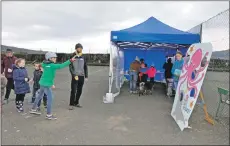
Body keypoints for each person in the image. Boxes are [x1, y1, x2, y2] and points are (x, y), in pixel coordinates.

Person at [30, 52, 76, 120]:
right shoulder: (52, 65)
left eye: (55, 57)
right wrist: (70, 60)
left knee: (39, 96)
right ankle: (49, 115)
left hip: (42, 83)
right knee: (50, 99)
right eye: (54, 58)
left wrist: (38, 65)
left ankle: (33, 109)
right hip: (46, 85)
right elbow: (61, 66)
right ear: (49, 58)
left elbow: (40, 65)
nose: (55, 59)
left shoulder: (44, 64)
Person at [69, 43, 88, 110]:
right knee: (73, 90)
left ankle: (76, 102)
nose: (79, 49)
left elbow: (85, 66)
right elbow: (70, 66)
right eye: (78, 48)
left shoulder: (83, 56)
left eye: (81, 48)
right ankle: (71, 104)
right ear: (76, 48)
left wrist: (86, 76)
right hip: (75, 76)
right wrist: (73, 75)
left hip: (81, 76)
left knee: (80, 90)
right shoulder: (72, 56)